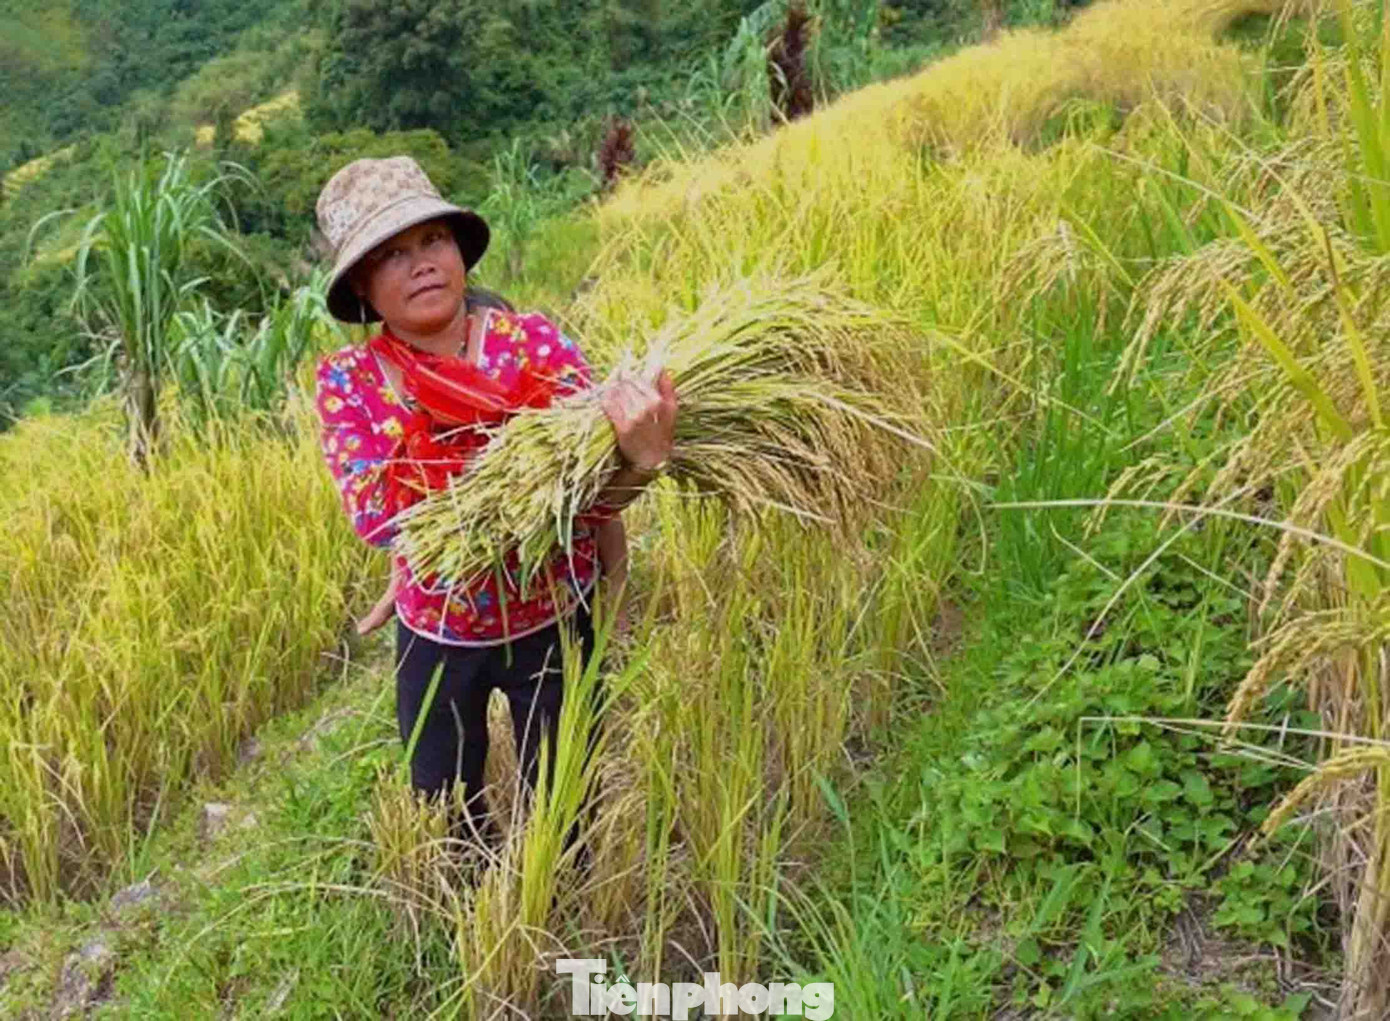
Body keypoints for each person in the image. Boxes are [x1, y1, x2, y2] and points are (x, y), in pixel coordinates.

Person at [311, 156, 676, 853]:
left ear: (459, 249)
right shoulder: (349, 384)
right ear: (361, 284)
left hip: (554, 616)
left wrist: (641, 461)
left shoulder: (531, 343)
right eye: (390, 255)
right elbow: (377, 513)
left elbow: (591, 500)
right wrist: (530, 466)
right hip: (440, 629)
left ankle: (558, 907)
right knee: (442, 799)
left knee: (568, 793)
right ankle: (475, 916)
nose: (420, 264)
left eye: (431, 241)